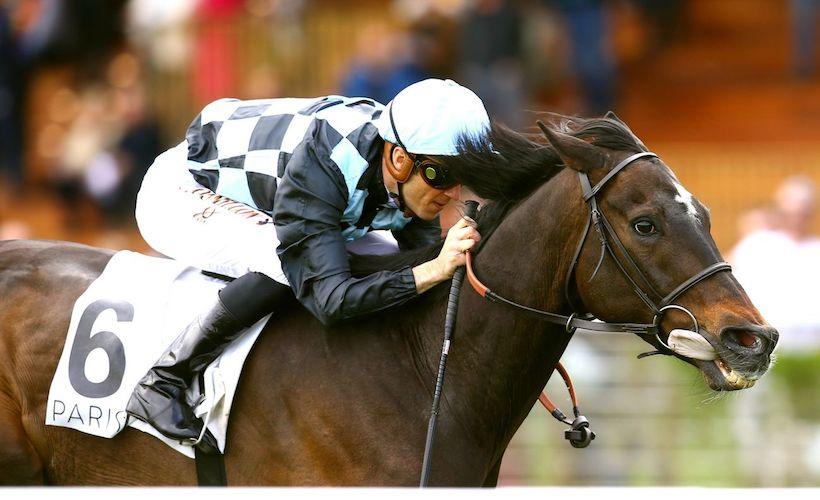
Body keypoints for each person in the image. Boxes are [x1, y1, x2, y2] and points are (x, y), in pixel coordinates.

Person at [126, 79, 487, 448]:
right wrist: (433, 269)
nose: (454, 193)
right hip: (182, 190)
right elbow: (329, 299)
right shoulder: (328, 162)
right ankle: (164, 380)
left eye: (465, 176)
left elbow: (420, 273)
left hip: (278, 194)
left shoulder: (410, 163)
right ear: (398, 159)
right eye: (441, 175)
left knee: (387, 261)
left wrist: (435, 269)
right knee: (285, 263)